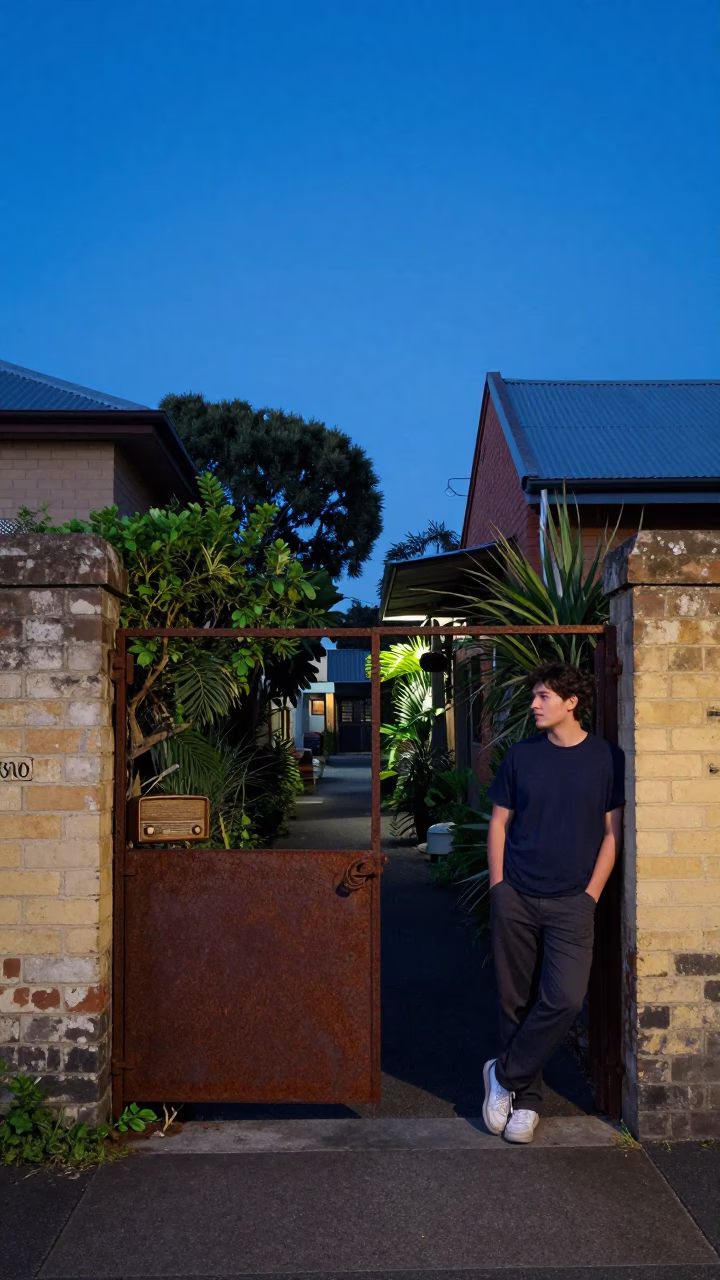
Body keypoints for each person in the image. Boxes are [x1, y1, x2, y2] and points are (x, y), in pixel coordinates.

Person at [482, 661, 624, 1144]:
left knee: (564, 998)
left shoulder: (607, 759)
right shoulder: (522, 756)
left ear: (571, 702)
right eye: (534, 695)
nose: (534, 704)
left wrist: (590, 897)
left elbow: (612, 833)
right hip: (516, 895)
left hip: (572, 903)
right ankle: (526, 1101)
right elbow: (499, 822)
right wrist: (499, 886)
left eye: (543, 696)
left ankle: (502, 1075)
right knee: (514, 1001)